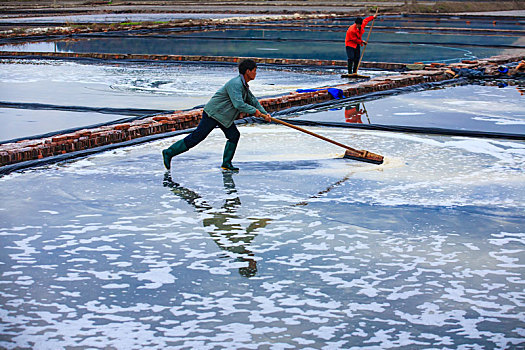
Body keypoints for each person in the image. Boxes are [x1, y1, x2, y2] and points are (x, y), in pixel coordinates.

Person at [162, 59, 271, 172]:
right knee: (197, 137)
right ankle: (169, 152)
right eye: (254, 70)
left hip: (223, 117)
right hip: (213, 114)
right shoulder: (235, 84)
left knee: (234, 135)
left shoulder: (243, 86)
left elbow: (253, 101)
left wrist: (264, 114)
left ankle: (226, 164)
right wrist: (254, 112)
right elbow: (239, 104)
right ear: (248, 71)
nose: (255, 73)